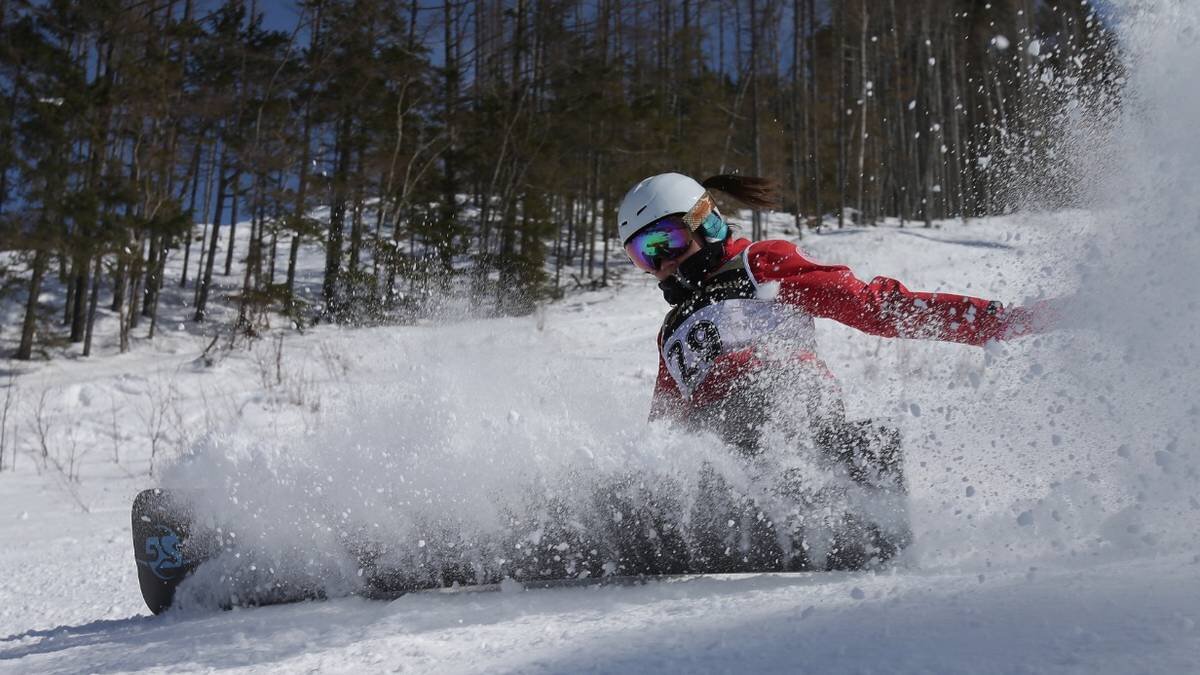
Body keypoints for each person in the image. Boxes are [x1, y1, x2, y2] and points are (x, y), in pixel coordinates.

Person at [618, 172, 1047, 570]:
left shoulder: (758, 264)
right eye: (642, 256)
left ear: (704, 221)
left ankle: (816, 499)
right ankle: (664, 522)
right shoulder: (671, 331)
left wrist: (996, 322)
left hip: (787, 400)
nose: (660, 266)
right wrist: (650, 473)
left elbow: (872, 306)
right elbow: (665, 422)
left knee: (754, 384)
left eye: (664, 243)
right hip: (719, 438)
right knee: (684, 444)